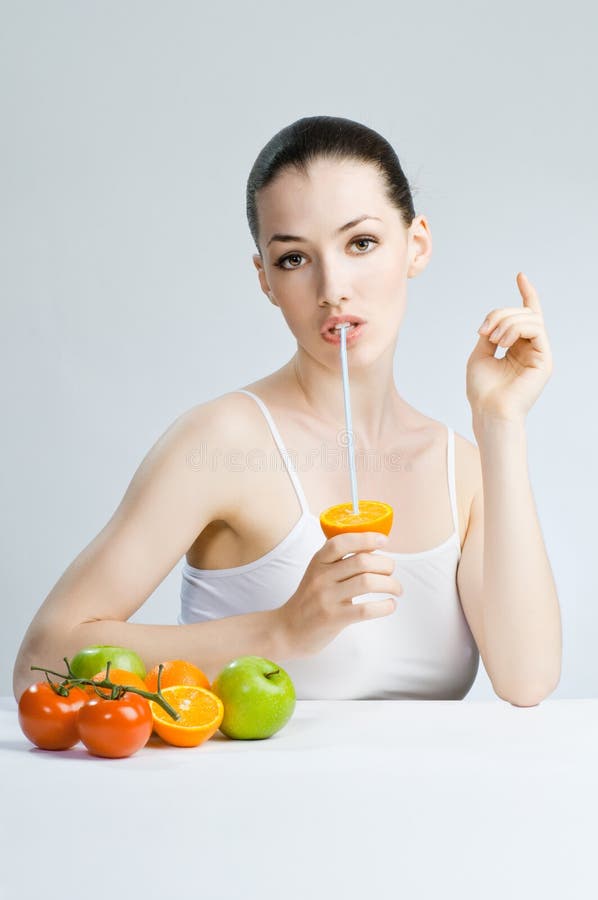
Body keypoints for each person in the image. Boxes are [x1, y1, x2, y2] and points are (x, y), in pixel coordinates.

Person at [13, 116, 562, 705]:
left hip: (419, 799)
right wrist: (281, 631)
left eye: (361, 243)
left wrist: (500, 422)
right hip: (241, 801)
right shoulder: (221, 442)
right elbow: (44, 661)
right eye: (294, 259)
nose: (332, 288)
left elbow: (526, 681)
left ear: (416, 245)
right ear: (266, 280)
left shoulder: (464, 469)